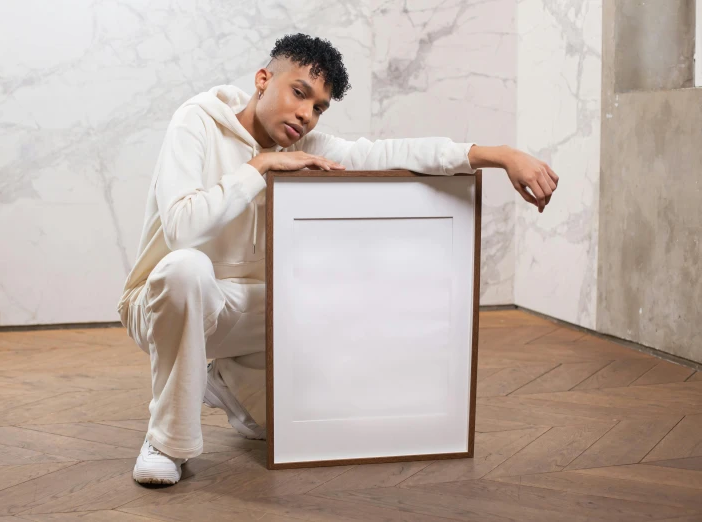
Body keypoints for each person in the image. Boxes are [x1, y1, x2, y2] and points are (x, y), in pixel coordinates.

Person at [119, 33, 559, 485]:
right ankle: (166, 442)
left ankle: (225, 379)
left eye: (319, 107)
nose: (305, 114)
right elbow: (182, 227)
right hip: (159, 303)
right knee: (187, 269)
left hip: (244, 311)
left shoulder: (305, 146)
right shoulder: (196, 122)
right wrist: (260, 168)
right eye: (299, 93)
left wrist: (499, 156)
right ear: (263, 79)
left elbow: (389, 153)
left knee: (290, 397)